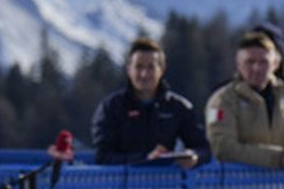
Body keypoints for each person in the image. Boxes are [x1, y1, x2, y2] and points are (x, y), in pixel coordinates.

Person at [205, 29, 284, 170]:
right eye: (250, 62)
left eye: (263, 62)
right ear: (238, 64)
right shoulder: (223, 100)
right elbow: (223, 148)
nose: (256, 68)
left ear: (275, 64)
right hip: (239, 184)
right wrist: (278, 158)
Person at [87, 37, 209, 168]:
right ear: (129, 69)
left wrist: (194, 156)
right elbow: (103, 157)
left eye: (151, 67)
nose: (144, 74)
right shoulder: (111, 108)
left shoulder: (177, 107)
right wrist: (145, 159)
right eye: (139, 67)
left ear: (162, 69)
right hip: (121, 185)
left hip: (165, 184)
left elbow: (204, 148)